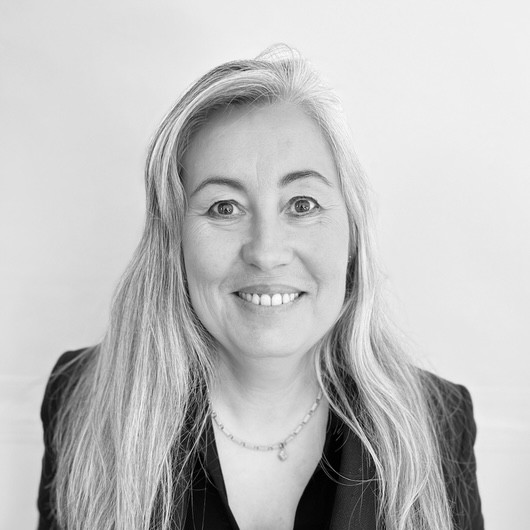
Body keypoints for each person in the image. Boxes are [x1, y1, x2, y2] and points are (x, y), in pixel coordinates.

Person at [37, 45, 484, 530]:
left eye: (302, 204)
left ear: (352, 234)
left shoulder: (438, 424)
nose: (266, 252)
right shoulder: (83, 401)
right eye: (224, 208)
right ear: (174, 242)